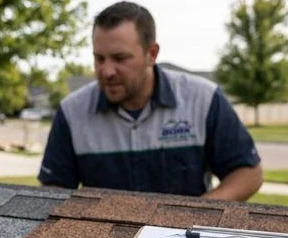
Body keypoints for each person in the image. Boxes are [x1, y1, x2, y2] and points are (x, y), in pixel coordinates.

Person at [38, 1, 263, 201]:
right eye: (99, 58)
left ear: (152, 54)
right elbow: (53, 191)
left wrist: (196, 215)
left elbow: (248, 174)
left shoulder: (203, 99)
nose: (106, 71)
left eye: (120, 58)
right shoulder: (71, 112)